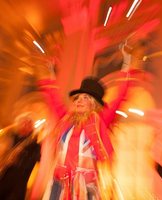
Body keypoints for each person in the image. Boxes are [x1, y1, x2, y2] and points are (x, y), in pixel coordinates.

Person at [34, 45, 130, 200]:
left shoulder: (100, 120)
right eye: (78, 98)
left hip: (86, 188)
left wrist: (127, 61)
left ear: (94, 103)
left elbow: (121, 96)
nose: (79, 101)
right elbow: (53, 98)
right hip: (59, 184)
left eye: (85, 98)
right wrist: (50, 70)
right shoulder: (66, 119)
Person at [0, 114, 41, 200]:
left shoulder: (35, 145)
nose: (26, 125)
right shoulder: (10, 137)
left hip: (19, 185)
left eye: (29, 123)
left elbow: (39, 159)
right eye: (24, 122)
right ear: (18, 124)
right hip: (3, 179)